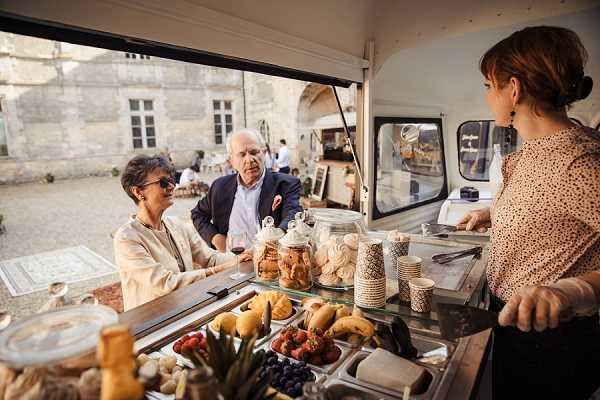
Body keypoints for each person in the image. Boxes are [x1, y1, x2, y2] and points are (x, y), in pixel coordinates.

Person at [458, 26, 600, 399]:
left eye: (490, 85)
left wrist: (574, 290)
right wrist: (491, 214)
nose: (488, 96)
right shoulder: (533, 151)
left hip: (552, 343)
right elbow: (547, 205)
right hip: (510, 323)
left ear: (514, 90)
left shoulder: (578, 163)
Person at [114, 155, 238, 311]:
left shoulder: (177, 224)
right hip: (150, 324)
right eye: (163, 182)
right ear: (139, 191)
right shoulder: (127, 238)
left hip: (183, 312)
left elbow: (211, 259)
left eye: (172, 180)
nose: (172, 186)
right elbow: (165, 284)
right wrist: (214, 272)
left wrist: (244, 257)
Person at [191, 129, 303, 251]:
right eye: (242, 154)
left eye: (254, 152)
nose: (249, 160)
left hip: (268, 260)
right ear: (231, 161)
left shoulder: (286, 184)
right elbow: (198, 214)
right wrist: (215, 238)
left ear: (264, 153)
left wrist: (274, 237)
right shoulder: (220, 187)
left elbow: (293, 214)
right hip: (232, 260)